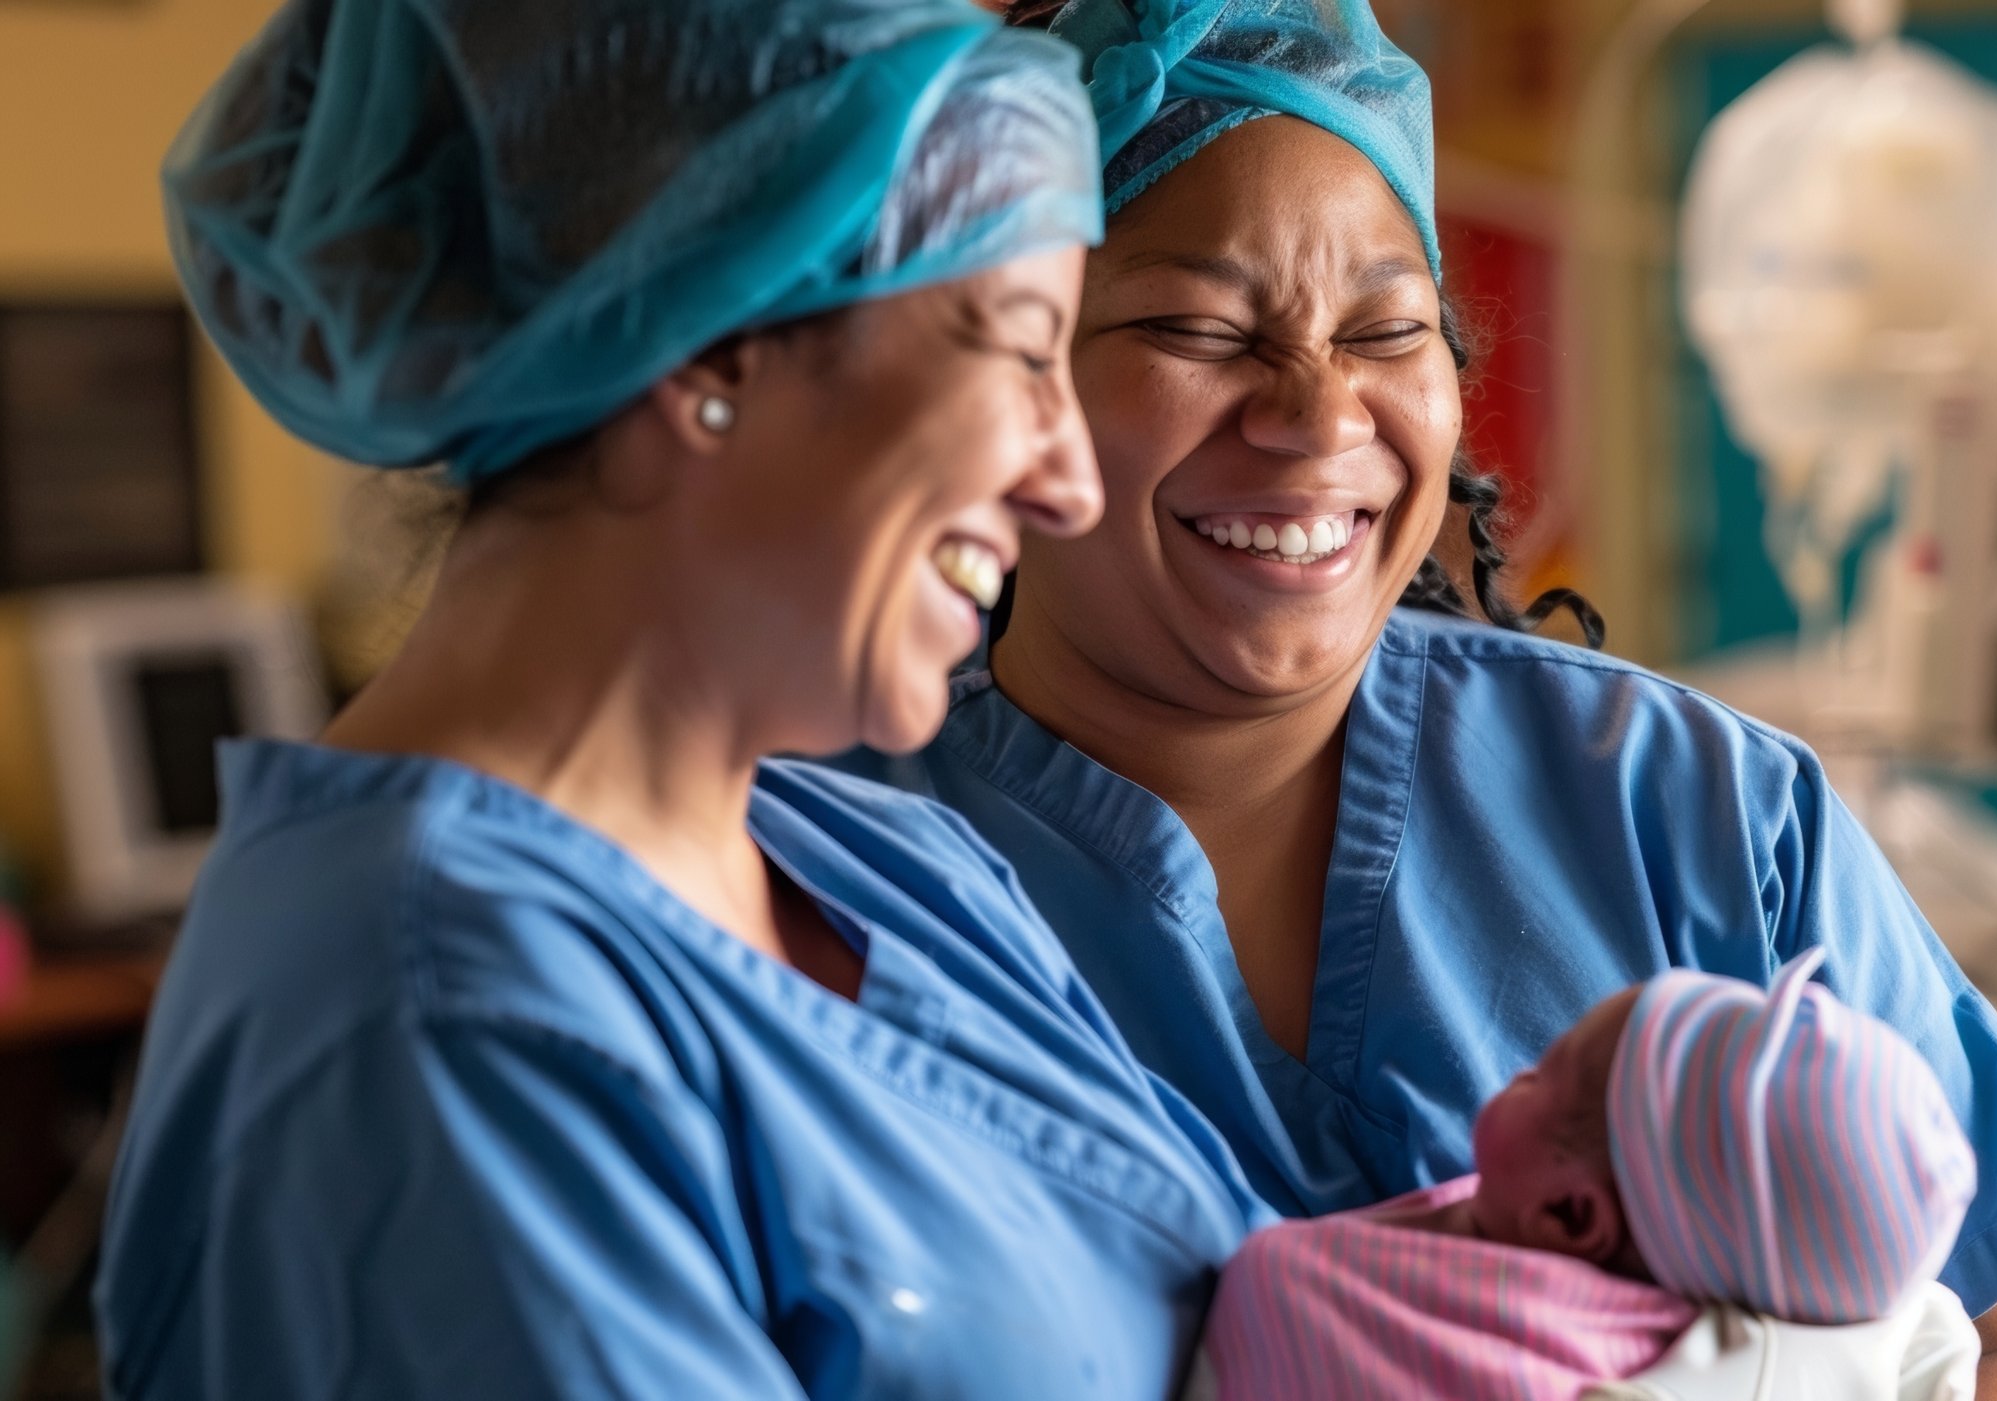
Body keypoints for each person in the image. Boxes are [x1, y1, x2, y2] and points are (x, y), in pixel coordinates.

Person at [843, 0, 1997, 1392]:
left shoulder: (1693, 809)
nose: (1320, 416)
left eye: (1387, 331)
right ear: (1004, 371)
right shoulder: (833, 873)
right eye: (1199, 328)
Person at [93, 3, 1265, 1397]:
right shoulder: (440, 1022)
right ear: (707, 340)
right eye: (1021, 348)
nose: (1070, 482)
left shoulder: (894, 866)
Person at [1194, 948, 1981, 1399]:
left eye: (1542, 1073)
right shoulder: (1900, 1328)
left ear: (1571, 1216)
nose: (1515, 1072)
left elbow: (1281, 1304)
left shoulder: (1514, 1348)